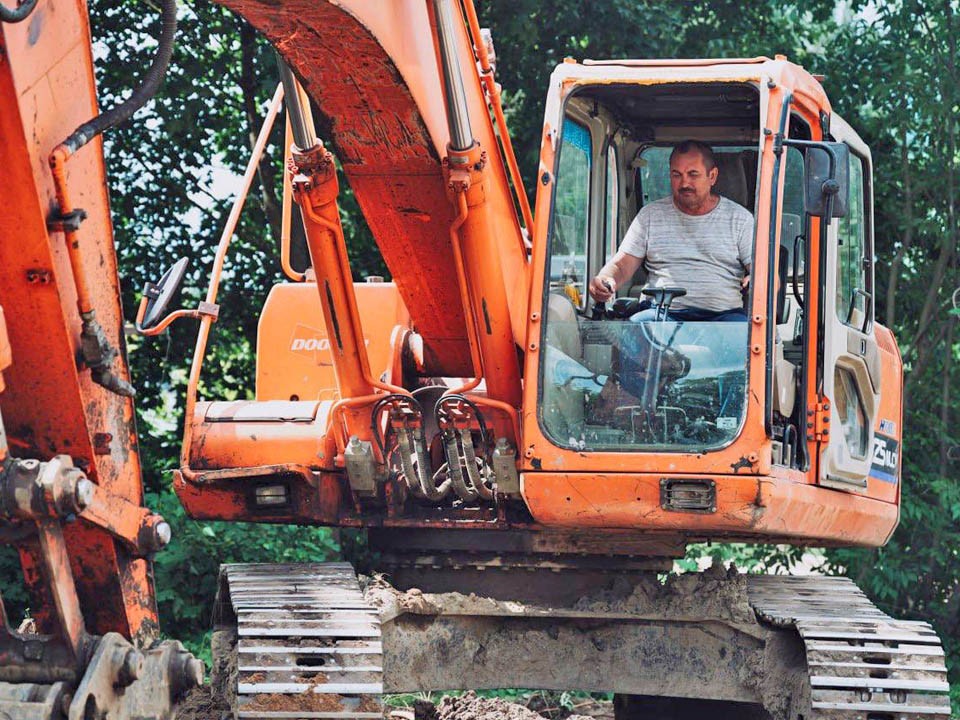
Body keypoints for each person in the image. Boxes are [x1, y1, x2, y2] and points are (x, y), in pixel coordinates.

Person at [588, 140, 753, 322]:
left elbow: (767, 276)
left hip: (723, 317)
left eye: (693, 174)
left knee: (745, 336)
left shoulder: (740, 219)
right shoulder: (650, 216)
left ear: (712, 176)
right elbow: (621, 265)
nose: (684, 183)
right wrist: (605, 279)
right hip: (661, 314)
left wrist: (758, 281)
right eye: (677, 175)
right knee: (636, 327)